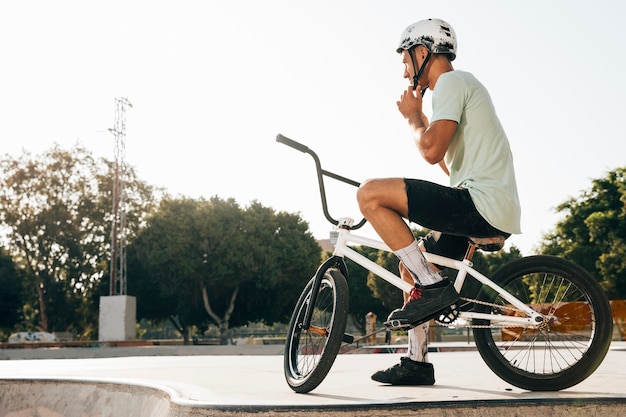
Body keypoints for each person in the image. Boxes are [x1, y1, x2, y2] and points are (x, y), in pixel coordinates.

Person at [357, 18, 522, 385]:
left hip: (479, 204)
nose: (404, 73)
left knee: (369, 194)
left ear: (421, 51)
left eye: (404, 61)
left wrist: (415, 118)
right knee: (411, 267)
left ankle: (433, 287)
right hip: (483, 204)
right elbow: (447, 161)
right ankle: (417, 363)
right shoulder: (458, 87)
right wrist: (424, 121)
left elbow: (431, 151)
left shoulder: (451, 81)